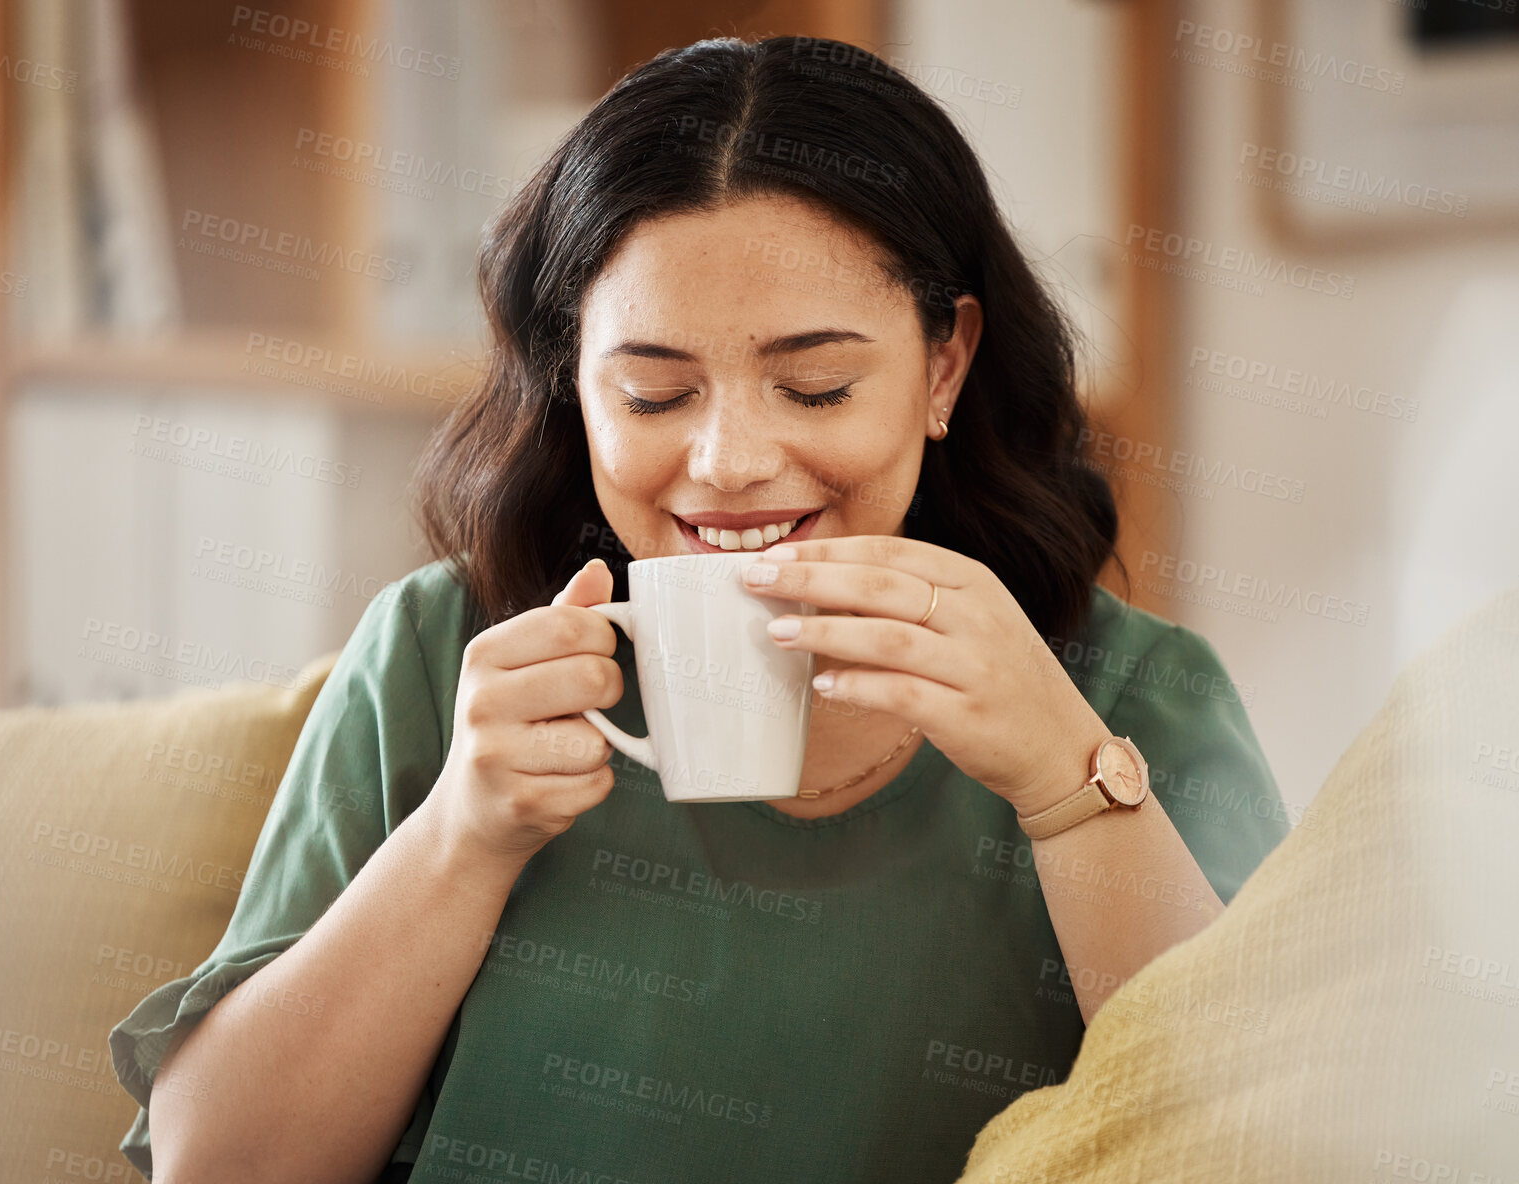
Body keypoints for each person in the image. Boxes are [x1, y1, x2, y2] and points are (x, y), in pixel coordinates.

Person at [110, 34, 1291, 1184]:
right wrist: (461, 836)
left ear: (944, 366)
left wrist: (1065, 784)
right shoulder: (441, 655)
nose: (727, 462)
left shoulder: (1135, 695)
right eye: (655, 390)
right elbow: (215, 1167)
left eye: (815, 384)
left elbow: (1277, 1145)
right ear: (575, 383)